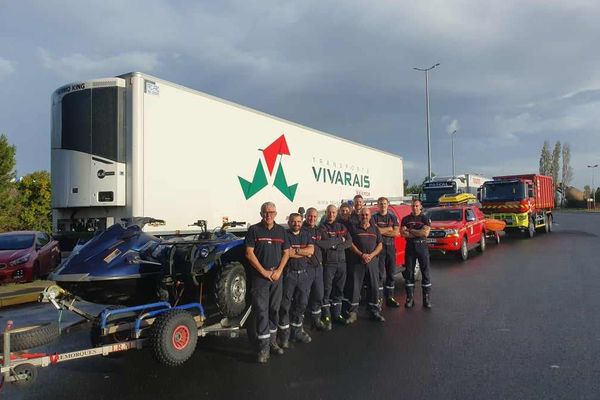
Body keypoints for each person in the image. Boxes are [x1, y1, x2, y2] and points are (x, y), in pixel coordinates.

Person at [245, 202, 290, 363]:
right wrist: (264, 272)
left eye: (271, 212)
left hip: (276, 276)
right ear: (261, 213)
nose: (268, 215)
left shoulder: (281, 231)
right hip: (260, 277)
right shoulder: (254, 230)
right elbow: (249, 254)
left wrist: (278, 271)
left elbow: (286, 253)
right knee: (262, 311)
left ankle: (272, 343)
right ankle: (263, 349)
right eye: (265, 212)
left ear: (276, 214)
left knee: (274, 310)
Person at [278, 213, 315, 347]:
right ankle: (284, 336)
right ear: (289, 223)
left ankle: (297, 332)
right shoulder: (285, 235)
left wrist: (297, 250)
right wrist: (302, 251)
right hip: (289, 275)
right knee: (285, 306)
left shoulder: (305, 234)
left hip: (303, 275)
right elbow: (288, 254)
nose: (296, 224)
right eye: (293, 222)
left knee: (302, 303)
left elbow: (311, 251)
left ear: (302, 222)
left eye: (299, 221)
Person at [347, 207, 385, 322]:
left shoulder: (375, 229)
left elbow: (380, 245)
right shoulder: (353, 228)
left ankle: (374, 311)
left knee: (373, 286)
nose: (364, 217)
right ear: (359, 216)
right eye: (362, 215)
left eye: (367, 215)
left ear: (370, 216)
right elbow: (350, 244)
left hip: (372, 262)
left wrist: (371, 255)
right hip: (358, 261)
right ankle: (353, 313)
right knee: (355, 287)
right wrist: (361, 254)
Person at [319, 204, 353, 329]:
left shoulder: (341, 227)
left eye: (333, 212)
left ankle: (337, 314)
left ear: (336, 213)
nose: (331, 215)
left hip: (342, 263)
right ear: (326, 213)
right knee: (327, 290)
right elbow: (324, 244)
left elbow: (349, 242)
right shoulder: (322, 227)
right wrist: (339, 240)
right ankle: (326, 315)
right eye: (329, 212)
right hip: (329, 264)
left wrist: (336, 245)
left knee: (339, 289)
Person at [400, 199, 432, 309]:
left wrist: (411, 230)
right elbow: (403, 234)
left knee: (425, 272)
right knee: (409, 273)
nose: (414, 208)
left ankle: (426, 299)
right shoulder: (405, 219)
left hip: (422, 246)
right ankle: (410, 299)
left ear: (420, 206)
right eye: (413, 206)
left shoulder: (425, 218)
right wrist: (417, 232)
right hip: (410, 247)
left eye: (417, 206)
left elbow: (425, 233)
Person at [372, 197, 401, 308]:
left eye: (384, 203)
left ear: (388, 204)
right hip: (379, 248)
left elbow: (396, 233)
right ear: (377, 205)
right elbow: (376, 231)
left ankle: (390, 297)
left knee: (391, 273)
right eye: (380, 204)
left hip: (391, 247)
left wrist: (384, 231)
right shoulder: (374, 217)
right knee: (379, 275)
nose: (383, 205)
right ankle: (379, 299)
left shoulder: (392, 216)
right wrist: (389, 229)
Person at [302, 208, 327, 331]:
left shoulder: (319, 230)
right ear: (306, 216)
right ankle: (298, 326)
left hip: (319, 268)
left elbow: (327, 243)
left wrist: (340, 240)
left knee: (319, 294)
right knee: (303, 297)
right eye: (310, 216)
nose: (312, 219)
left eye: (314, 216)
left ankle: (315, 320)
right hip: (306, 268)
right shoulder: (301, 230)